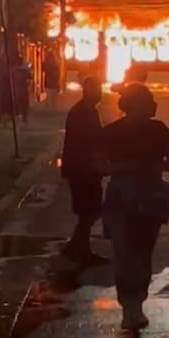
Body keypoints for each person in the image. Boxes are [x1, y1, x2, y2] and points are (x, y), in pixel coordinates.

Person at [97, 83, 169, 331]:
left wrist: (157, 166)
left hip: (145, 196)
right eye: (146, 101)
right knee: (126, 253)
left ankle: (135, 306)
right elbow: (100, 165)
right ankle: (130, 307)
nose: (150, 106)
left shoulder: (158, 130)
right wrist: (127, 167)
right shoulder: (113, 132)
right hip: (125, 198)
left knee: (141, 254)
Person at [60, 77, 107, 264]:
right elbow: (89, 140)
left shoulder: (88, 111)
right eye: (97, 90)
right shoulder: (81, 113)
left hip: (84, 168)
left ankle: (78, 247)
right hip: (82, 168)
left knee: (89, 210)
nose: (99, 94)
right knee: (89, 210)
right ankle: (78, 249)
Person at [13, 57, 32, 125]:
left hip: (16, 91)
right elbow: (30, 77)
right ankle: (24, 120)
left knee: (18, 106)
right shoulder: (25, 71)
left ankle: (18, 119)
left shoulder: (14, 71)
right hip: (24, 91)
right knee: (24, 106)